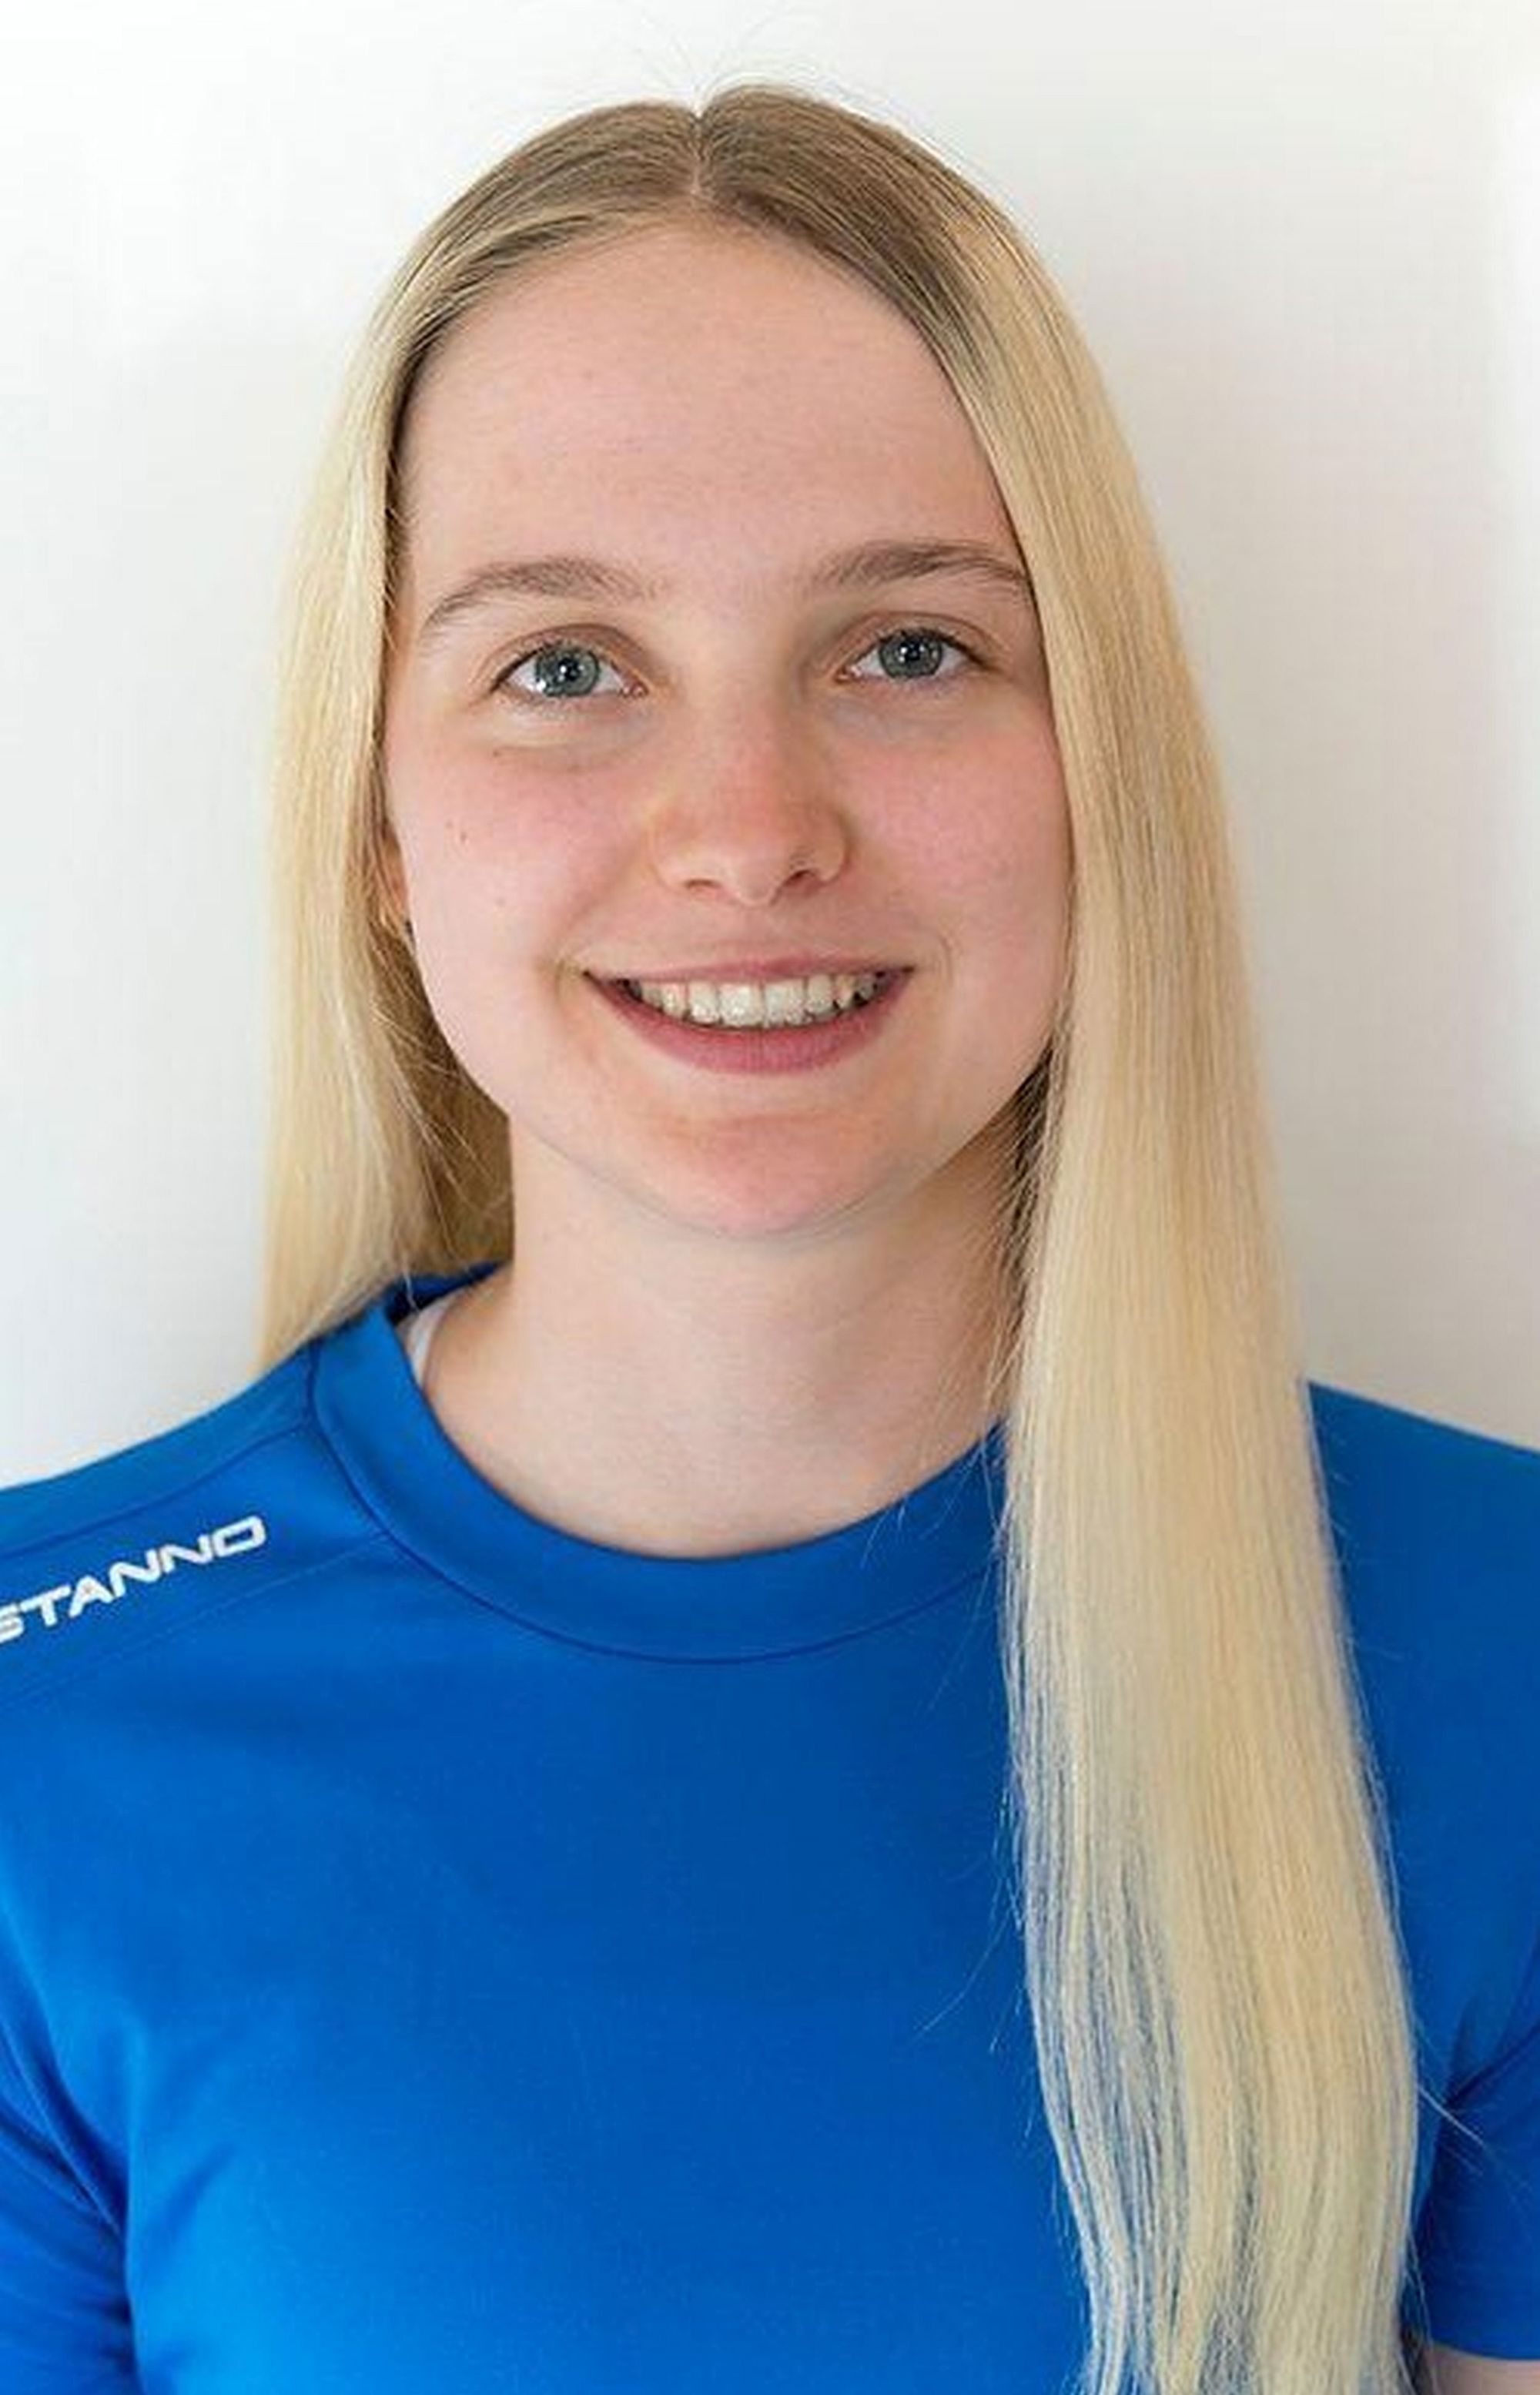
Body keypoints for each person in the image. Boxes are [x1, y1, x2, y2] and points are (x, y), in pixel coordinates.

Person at [0, 85, 1536, 2395]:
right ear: (380, 824)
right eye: (563, 665)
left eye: (906, 648)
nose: (745, 830)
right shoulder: (47, 1726)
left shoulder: (1493, 1651)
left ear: (1098, 770)